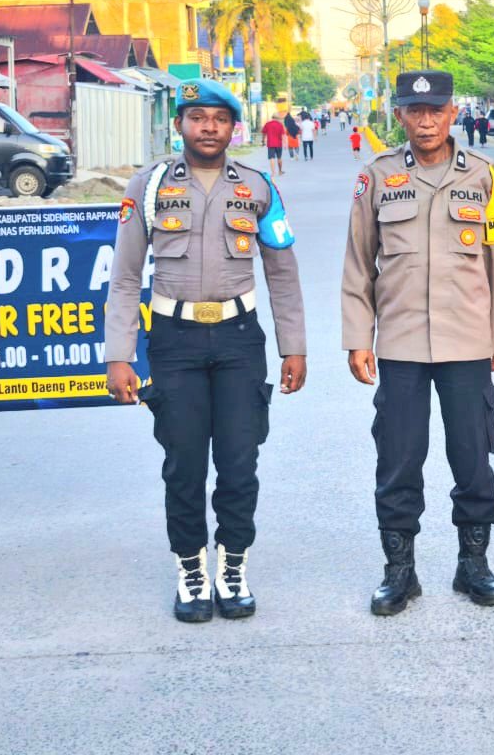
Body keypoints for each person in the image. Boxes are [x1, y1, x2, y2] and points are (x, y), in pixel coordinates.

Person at [105, 78, 307, 623]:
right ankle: (191, 570)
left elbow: (282, 273)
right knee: (184, 465)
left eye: (219, 119)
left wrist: (294, 346)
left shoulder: (259, 188)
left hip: (240, 339)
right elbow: (125, 277)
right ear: (180, 125)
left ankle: (232, 567)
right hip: (175, 341)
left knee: (240, 463)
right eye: (197, 118)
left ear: (233, 128)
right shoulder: (148, 186)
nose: (208, 128)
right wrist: (119, 354)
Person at [341, 69, 494, 616]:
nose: (426, 120)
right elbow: (358, 263)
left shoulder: (484, 176)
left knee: (473, 458)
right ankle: (400, 571)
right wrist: (358, 338)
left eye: (436, 110)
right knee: (398, 459)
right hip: (401, 344)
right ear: (399, 115)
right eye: (415, 111)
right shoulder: (377, 177)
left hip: (467, 342)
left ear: (452, 113)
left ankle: (473, 564)